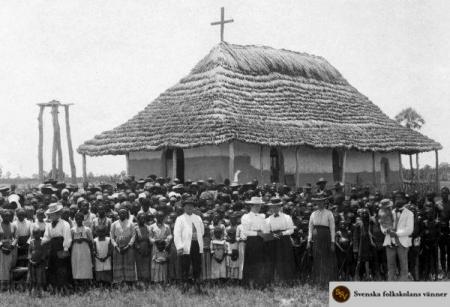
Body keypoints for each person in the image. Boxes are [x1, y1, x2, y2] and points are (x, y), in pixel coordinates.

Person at [173, 197, 204, 293]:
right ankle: (184, 286)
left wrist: (197, 236)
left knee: (197, 266)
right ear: (184, 208)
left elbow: (202, 231)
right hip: (185, 245)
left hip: (196, 244)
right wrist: (179, 246)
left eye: (191, 206)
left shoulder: (198, 218)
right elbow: (177, 234)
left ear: (194, 207)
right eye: (187, 206)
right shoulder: (180, 219)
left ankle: (197, 286)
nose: (189, 208)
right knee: (185, 266)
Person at [380, 197, 414, 281]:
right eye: (396, 198)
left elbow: (409, 229)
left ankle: (403, 283)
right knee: (390, 265)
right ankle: (391, 282)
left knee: (403, 264)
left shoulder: (409, 214)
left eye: (400, 198)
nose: (398, 200)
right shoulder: (388, 211)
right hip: (389, 241)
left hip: (402, 241)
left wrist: (397, 234)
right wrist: (385, 231)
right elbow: (382, 224)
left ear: (404, 201)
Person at [42, 203, 72, 294]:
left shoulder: (64, 224)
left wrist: (65, 249)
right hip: (52, 248)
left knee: (62, 268)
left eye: (53, 214)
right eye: (50, 214)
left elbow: (67, 237)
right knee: (52, 268)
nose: (51, 216)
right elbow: (47, 237)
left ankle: (63, 288)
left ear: (58, 214)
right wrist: (41, 242)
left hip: (61, 246)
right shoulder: (49, 225)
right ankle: (54, 288)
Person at [307, 196, 337, 287]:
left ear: (324, 202)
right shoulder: (313, 214)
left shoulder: (329, 213)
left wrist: (332, 242)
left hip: (326, 236)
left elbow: (332, 228)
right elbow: (310, 228)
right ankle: (317, 280)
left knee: (325, 258)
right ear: (316, 203)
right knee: (317, 257)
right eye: (317, 202)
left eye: (321, 202)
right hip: (316, 238)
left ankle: (326, 280)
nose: (319, 204)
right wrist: (309, 240)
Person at [266, 197, 296, 283]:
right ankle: (276, 280)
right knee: (275, 259)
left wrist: (282, 233)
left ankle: (287, 280)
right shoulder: (268, 219)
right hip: (273, 241)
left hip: (284, 240)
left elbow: (291, 230)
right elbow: (267, 232)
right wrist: (272, 235)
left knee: (286, 259)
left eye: (276, 207)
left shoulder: (287, 217)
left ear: (280, 207)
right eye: (273, 207)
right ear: (271, 208)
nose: (275, 209)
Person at [241, 196, 269, 289]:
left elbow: (265, 229)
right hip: (252, 241)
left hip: (261, 241)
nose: (258, 207)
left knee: (260, 262)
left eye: (259, 205)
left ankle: (260, 284)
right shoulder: (246, 217)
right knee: (251, 263)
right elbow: (245, 232)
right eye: (256, 205)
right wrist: (257, 233)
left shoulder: (262, 216)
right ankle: (249, 285)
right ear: (251, 206)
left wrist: (264, 234)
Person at [110, 206, 137, 286]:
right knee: (118, 264)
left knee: (128, 263)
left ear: (127, 214)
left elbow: (133, 235)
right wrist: (116, 246)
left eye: (124, 213)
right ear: (118, 214)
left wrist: (128, 246)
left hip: (128, 247)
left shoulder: (131, 223)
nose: (122, 214)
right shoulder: (114, 224)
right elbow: (111, 236)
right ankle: (119, 282)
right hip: (117, 247)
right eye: (121, 213)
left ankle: (129, 282)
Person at [71, 211, 94, 290]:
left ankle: (86, 285)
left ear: (83, 219)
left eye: (80, 219)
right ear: (75, 219)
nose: (78, 220)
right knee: (77, 266)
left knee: (85, 265)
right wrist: (75, 240)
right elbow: (70, 241)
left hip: (85, 250)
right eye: (77, 219)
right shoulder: (73, 230)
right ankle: (78, 285)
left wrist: (84, 239)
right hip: (76, 250)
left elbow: (91, 241)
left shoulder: (87, 229)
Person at [149, 211, 172, 284]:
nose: (160, 218)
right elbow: (150, 237)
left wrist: (165, 241)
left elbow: (170, 235)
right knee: (155, 262)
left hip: (164, 246)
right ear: (156, 217)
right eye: (158, 217)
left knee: (163, 262)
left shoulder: (167, 226)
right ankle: (155, 280)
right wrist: (155, 241)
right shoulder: (152, 226)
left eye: (161, 217)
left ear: (163, 218)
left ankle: (164, 280)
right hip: (156, 247)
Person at [0, 209, 17, 291]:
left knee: (9, 266)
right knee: (2, 267)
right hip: (1, 249)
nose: (7, 217)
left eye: (8, 215)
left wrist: (12, 246)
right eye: (5, 215)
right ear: (2, 216)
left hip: (11, 249)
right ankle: (2, 286)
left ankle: (8, 286)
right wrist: (1, 247)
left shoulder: (13, 225)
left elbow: (16, 237)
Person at [27, 228, 47, 296]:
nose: (36, 235)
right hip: (32, 263)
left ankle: (39, 292)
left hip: (40, 263)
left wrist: (40, 260)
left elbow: (44, 253)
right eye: (34, 233)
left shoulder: (42, 242)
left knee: (39, 278)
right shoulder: (31, 242)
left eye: (37, 233)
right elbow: (29, 252)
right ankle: (31, 291)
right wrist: (30, 260)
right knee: (32, 278)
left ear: (40, 233)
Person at [134, 212, 152, 284]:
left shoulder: (148, 227)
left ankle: (146, 280)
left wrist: (149, 248)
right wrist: (138, 248)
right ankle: (139, 280)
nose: (143, 220)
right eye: (141, 218)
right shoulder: (135, 228)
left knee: (146, 264)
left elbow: (150, 238)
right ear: (138, 219)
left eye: (144, 218)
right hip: (138, 248)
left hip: (146, 247)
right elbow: (134, 240)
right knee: (139, 264)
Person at [437, 187, 450, 278]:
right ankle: (443, 270)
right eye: (443, 193)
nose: (444, 195)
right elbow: (435, 217)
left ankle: (449, 270)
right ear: (441, 195)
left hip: (449, 231)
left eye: (446, 193)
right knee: (442, 252)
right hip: (440, 231)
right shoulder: (437, 204)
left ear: (448, 194)